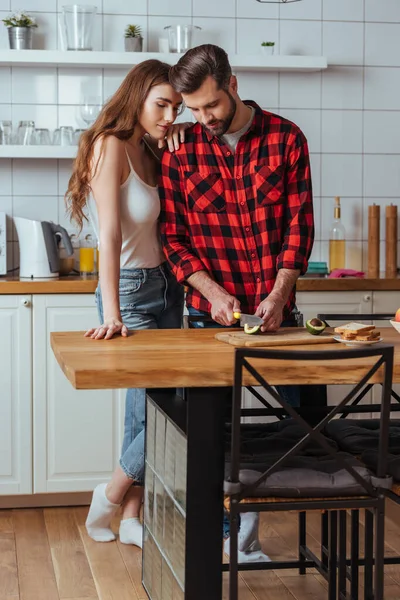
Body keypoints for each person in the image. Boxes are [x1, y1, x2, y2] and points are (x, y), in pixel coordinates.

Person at [158, 45, 315, 561]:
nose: (203, 119)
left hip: (279, 315)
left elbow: (299, 228)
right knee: (213, 433)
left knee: (304, 429)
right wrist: (214, 292)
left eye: (212, 106)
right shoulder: (181, 152)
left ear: (234, 84)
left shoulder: (287, 139)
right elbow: (174, 240)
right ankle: (224, 534)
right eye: (193, 110)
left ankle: (301, 519)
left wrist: (278, 293)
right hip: (209, 318)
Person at [65, 60, 187, 548]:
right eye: (161, 104)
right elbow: (111, 233)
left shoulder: (152, 148)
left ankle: (130, 513)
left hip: (168, 285)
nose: (169, 115)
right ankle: (111, 495)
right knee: (154, 409)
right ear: (136, 97)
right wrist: (112, 310)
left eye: (176, 107)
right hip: (131, 291)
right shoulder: (109, 146)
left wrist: (170, 144)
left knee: (157, 407)